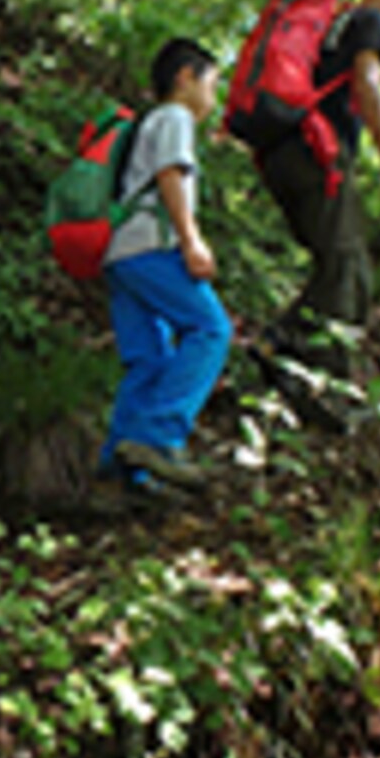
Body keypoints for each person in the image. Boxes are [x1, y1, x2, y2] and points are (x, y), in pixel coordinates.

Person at [254, 0, 380, 378]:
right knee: (349, 268)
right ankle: (321, 381)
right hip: (317, 154)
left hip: (281, 152)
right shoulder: (369, 20)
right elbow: (367, 83)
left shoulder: (335, 22)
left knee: (337, 262)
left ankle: (276, 344)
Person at [95, 38, 233, 505]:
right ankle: (157, 438)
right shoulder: (174, 117)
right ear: (185, 78)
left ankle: (122, 471)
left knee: (148, 360)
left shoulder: (148, 123)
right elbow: (171, 177)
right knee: (211, 329)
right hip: (153, 248)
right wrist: (191, 240)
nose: (213, 98)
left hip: (119, 255)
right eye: (212, 84)